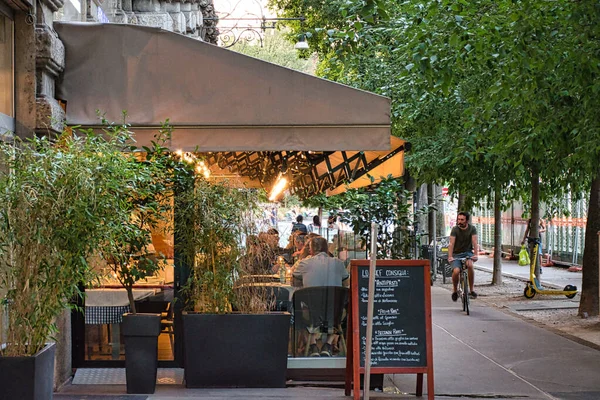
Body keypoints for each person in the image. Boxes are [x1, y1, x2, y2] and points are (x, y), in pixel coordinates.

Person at [293, 236, 349, 357]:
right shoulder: (339, 264)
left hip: (311, 313)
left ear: (311, 249)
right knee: (346, 309)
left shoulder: (304, 263)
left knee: (296, 307)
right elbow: (346, 284)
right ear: (327, 248)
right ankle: (328, 344)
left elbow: (294, 282)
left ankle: (312, 345)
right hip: (335, 313)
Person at [447, 211, 479, 301]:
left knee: (470, 265)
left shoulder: (472, 229)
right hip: (456, 254)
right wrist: (450, 256)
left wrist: (476, 255)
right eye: (458, 219)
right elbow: (451, 243)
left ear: (467, 221)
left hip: (467, 252)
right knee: (456, 271)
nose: (459, 221)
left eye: (462, 220)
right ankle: (454, 290)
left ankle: (472, 290)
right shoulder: (455, 229)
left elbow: (475, 242)